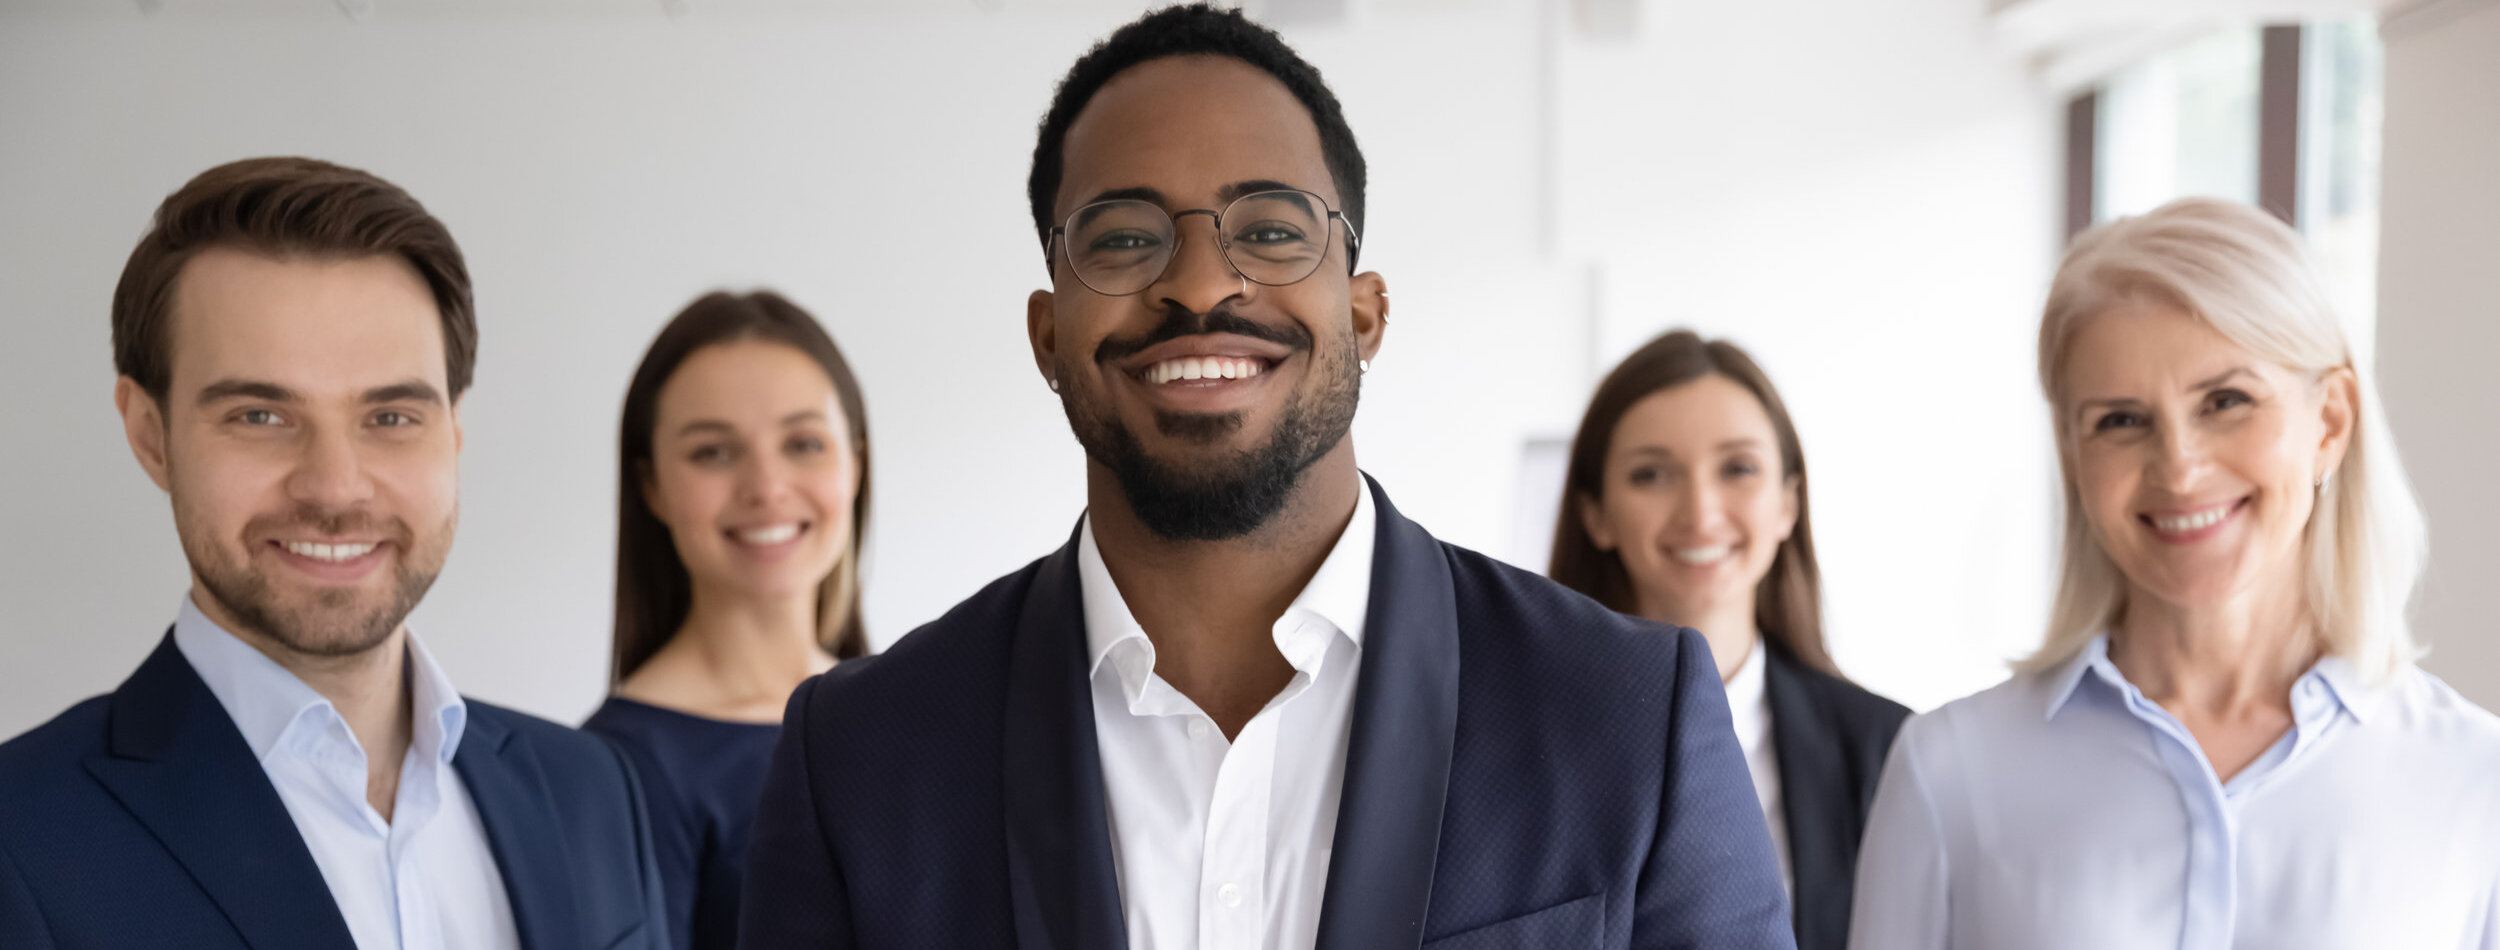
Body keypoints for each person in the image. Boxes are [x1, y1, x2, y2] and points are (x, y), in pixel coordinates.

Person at [737, 6, 1793, 949]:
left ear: (1366, 311)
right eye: (1124, 237)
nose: (1199, 283)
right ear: (1047, 332)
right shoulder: (860, 755)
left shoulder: (1624, 712)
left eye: (1272, 230)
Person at [0, 157, 667, 950]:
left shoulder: (591, 790)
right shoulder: (22, 836)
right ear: (150, 434)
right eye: (259, 416)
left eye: (390, 418)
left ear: (453, 432)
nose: (335, 488)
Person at [1848, 197, 2500, 949]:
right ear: (2073, 456)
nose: (2180, 470)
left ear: (2330, 422)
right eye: (2121, 420)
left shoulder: (2475, 779)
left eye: (2226, 402)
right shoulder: (1951, 770)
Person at [1549, 329, 1909, 950]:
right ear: (1596, 514)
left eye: (1738, 468)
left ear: (1788, 504)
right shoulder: (1511, 741)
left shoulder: (1889, 751)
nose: (1701, 512)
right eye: (1651, 474)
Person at [583, 290, 871, 950]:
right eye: (712, 452)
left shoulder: (915, 708)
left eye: (803, 442)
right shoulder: (617, 770)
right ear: (651, 485)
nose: (766, 487)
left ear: (854, 462)